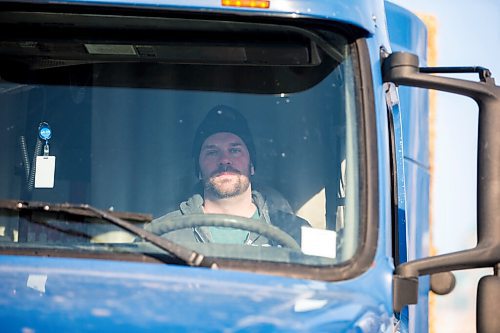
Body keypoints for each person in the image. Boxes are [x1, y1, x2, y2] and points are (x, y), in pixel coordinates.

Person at [145, 105, 309, 246]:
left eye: (235, 150)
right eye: (212, 152)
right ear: (199, 171)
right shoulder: (162, 234)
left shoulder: (296, 233)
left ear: (252, 165)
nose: (224, 160)